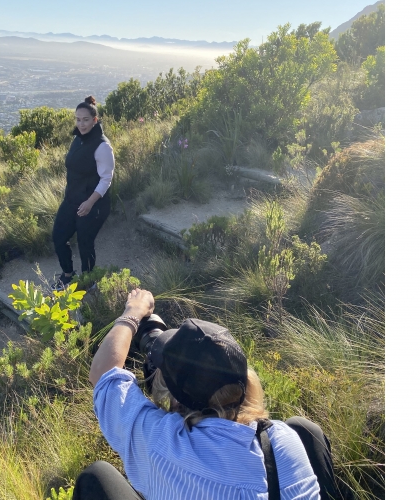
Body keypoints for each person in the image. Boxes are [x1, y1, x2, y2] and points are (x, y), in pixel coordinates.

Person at [73, 288, 347, 500]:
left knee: (96, 477)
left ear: (176, 397)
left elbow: (103, 373)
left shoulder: (159, 440)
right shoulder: (282, 440)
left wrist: (132, 313)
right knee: (305, 427)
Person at [51, 95, 114, 290]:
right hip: (72, 200)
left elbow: (106, 179)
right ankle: (68, 275)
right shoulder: (77, 139)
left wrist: (89, 203)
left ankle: (88, 282)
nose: (81, 124)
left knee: (85, 243)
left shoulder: (102, 146)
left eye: (86, 119)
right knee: (59, 236)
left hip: (93, 204)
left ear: (95, 120)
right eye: (78, 119)